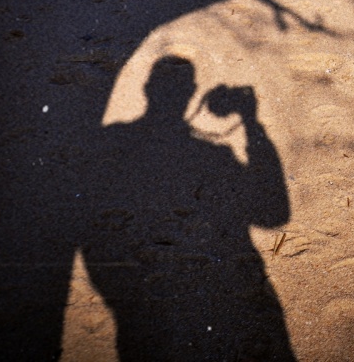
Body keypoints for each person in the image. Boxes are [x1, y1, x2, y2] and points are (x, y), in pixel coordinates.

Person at [80, 57, 294, 360]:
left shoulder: (109, 140)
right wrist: (249, 120)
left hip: (138, 308)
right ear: (193, 93)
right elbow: (274, 214)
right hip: (227, 303)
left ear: (146, 89)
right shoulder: (216, 156)